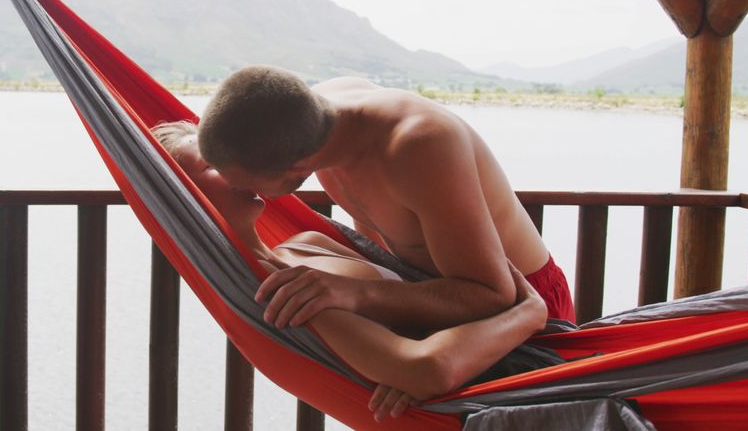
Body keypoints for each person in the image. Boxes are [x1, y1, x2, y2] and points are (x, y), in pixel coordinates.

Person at [152, 121, 549, 421]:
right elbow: (429, 368)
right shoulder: (280, 291)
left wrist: (404, 375)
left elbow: (423, 314)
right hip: (478, 406)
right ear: (184, 199)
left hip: (499, 374)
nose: (237, 166)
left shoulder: (309, 243)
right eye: (212, 164)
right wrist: (527, 315)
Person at [197, 66, 575, 330]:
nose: (251, 197)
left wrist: (353, 293)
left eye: (250, 187)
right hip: (433, 300)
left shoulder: (418, 145)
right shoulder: (317, 118)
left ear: (298, 167)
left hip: (526, 308)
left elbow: (493, 294)